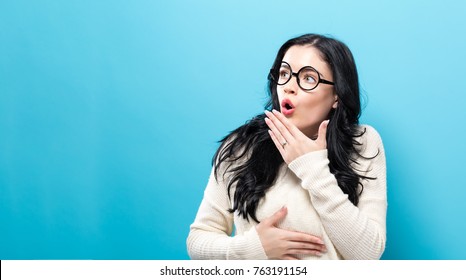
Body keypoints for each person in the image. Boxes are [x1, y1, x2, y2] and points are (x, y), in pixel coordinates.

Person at [186, 33, 387, 260]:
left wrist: (313, 167)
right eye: (284, 74)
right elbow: (198, 241)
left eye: (308, 78)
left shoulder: (362, 142)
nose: (289, 87)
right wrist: (252, 248)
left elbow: (368, 254)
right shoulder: (242, 146)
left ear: (336, 96)